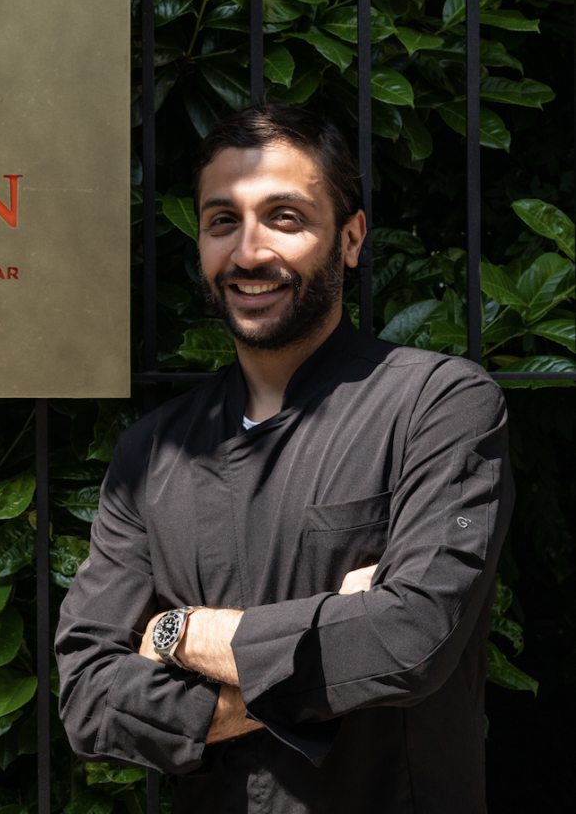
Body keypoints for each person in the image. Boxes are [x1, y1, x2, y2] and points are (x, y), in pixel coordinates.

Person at [55, 104, 513, 813]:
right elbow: (89, 699)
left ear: (351, 238)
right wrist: (336, 641)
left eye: (285, 218)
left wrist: (178, 634)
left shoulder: (437, 405)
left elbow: (410, 640)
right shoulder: (151, 451)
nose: (248, 253)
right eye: (222, 221)